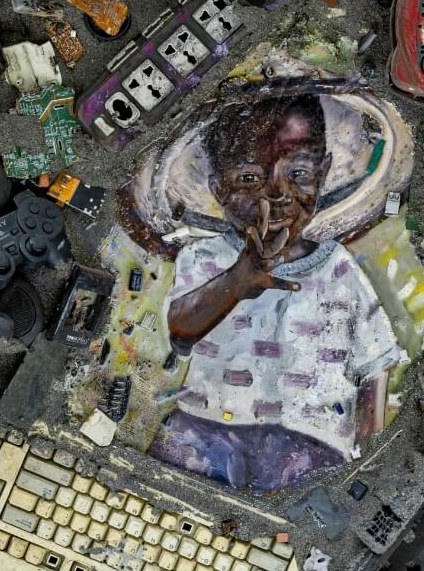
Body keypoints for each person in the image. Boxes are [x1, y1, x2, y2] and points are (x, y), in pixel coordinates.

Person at [149, 93, 405, 490]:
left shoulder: (338, 268)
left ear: (323, 173)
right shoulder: (204, 257)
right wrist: (238, 280)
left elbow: (375, 368)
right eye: (249, 179)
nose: (277, 194)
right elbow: (180, 332)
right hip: (203, 432)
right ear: (219, 189)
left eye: (298, 172)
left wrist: (364, 467)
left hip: (308, 447)